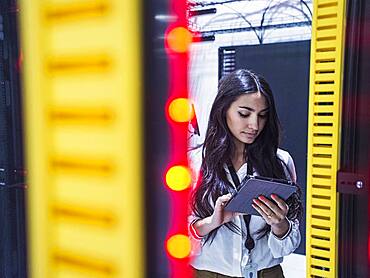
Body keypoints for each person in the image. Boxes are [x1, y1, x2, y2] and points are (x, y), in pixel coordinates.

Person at [188, 69, 302, 278]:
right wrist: (212, 222)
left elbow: (287, 247)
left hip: (267, 273)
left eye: (262, 115)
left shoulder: (281, 162)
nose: (254, 125)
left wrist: (279, 224)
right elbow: (179, 241)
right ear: (224, 110)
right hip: (209, 273)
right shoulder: (195, 163)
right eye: (244, 114)